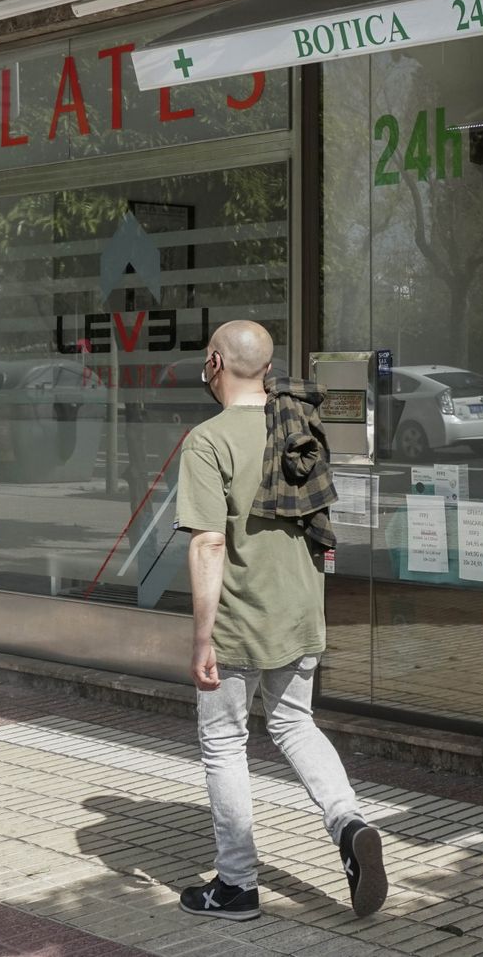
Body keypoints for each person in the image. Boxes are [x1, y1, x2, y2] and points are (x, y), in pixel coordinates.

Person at [174, 319, 387, 921]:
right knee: (294, 723)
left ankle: (237, 885)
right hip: (300, 609)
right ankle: (348, 823)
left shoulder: (208, 440)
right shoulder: (299, 427)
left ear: (214, 363)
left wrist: (200, 638)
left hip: (238, 618)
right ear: (267, 369)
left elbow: (209, 544)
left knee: (224, 742)